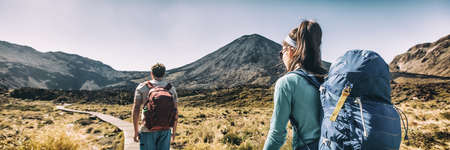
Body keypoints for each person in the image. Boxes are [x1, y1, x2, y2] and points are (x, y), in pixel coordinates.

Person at [264, 20, 327, 150]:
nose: (282, 57)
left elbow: (277, 135)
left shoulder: (287, 83)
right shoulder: (328, 79)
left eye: (282, 52)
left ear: (291, 51)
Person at [132, 63, 178, 150]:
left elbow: (136, 109)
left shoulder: (142, 87)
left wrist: (135, 131)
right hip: (166, 129)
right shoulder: (171, 89)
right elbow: (175, 112)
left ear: (151, 73)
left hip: (147, 129)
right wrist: (174, 132)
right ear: (164, 73)